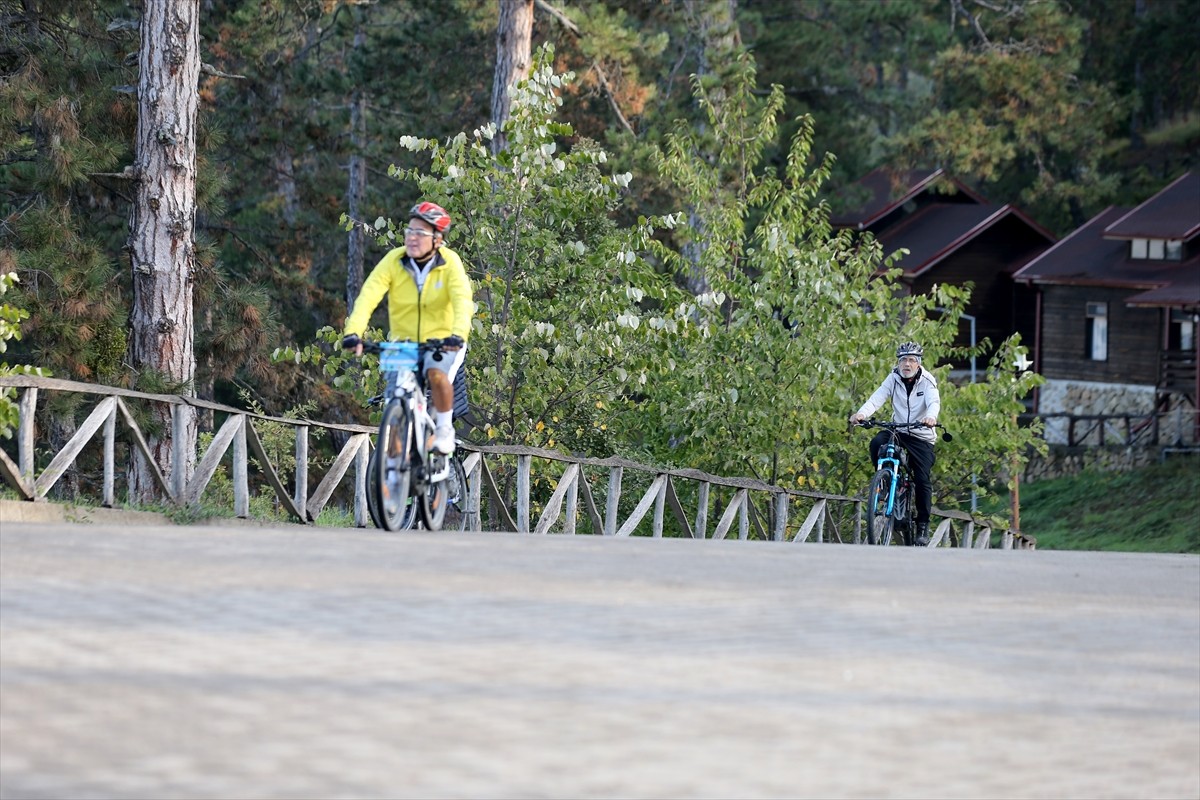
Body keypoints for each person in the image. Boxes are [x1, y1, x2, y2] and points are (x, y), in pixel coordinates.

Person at [342, 201, 474, 454]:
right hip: (403, 342)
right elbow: (368, 296)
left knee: (436, 373)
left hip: (445, 340)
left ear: (438, 239)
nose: (412, 238)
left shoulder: (450, 263)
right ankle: (394, 466)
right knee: (394, 397)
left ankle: (444, 430)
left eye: (420, 233)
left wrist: (458, 335)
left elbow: (462, 301)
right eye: (410, 231)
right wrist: (354, 333)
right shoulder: (394, 260)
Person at [849, 341, 941, 546]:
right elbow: (877, 398)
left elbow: (933, 401)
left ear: (918, 364)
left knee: (922, 479)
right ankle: (884, 482)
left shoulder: (927, 381)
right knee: (877, 443)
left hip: (921, 434)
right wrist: (862, 414)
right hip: (898, 429)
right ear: (898, 362)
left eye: (911, 360)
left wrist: (931, 417)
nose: (906, 364)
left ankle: (923, 525)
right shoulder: (893, 378)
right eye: (903, 360)